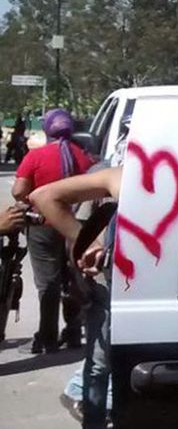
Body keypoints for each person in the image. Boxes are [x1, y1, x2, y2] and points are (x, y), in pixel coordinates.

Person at [31, 133, 178, 429]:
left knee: (105, 367)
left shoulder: (124, 177)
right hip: (162, 296)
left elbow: (43, 196)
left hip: (123, 292)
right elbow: (42, 197)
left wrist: (90, 242)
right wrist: (92, 243)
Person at [12, 108, 92, 353]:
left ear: (47, 128)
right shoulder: (84, 158)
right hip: (76, 227)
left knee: (48, 283)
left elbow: (17, 191)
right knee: (74, 279)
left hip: (42, 226)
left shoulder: (37, 156)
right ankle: (74, 332)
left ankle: (47, 337)